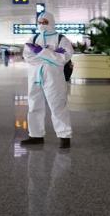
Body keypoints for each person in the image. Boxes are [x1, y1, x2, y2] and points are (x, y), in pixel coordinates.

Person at [21, 11, 73, 149]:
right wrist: (52, 55)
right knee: (34, 105)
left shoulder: (61, 39)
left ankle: (64, 136)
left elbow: (64, 58)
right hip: (35, 77)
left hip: (54, 77)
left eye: (45, 22)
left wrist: (40, 52)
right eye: (40, 22)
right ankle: (35, 135)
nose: (42, 25)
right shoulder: (33, 38)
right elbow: (28, 57)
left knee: (58, 104)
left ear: (51, 22)